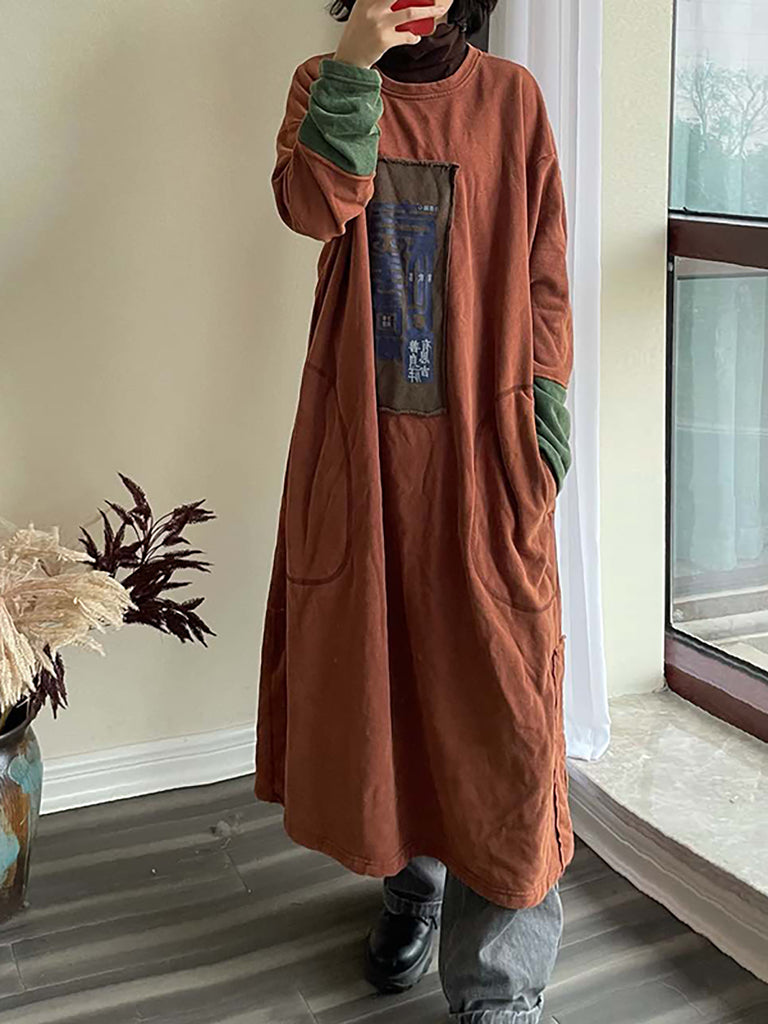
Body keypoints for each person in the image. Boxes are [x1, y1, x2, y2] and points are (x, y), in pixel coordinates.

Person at [255, 1, 574, 1020]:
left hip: (485, 456)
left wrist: (546, 420)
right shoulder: (324, 84)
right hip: (365, 453)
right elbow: (314, 205)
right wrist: (355, 69)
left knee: (504, 709)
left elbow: (545, 273)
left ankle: (498, 989)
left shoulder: (511, 99)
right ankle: (412, 886)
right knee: (388, 680)